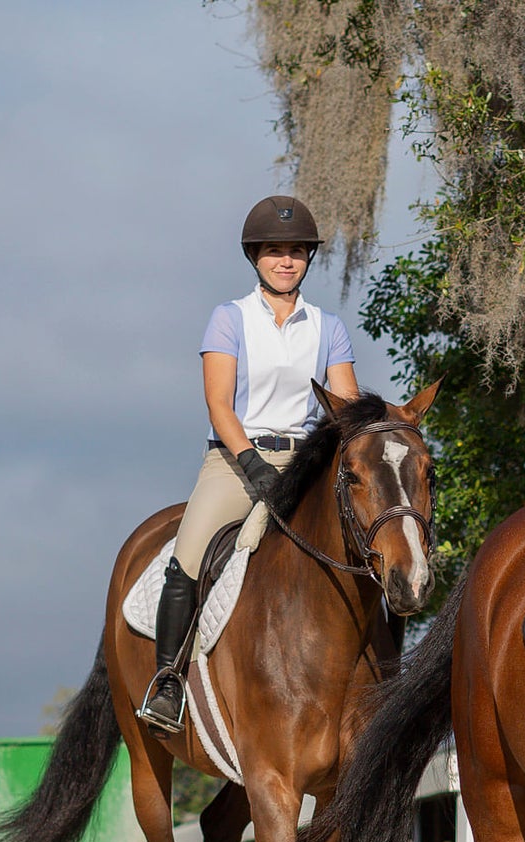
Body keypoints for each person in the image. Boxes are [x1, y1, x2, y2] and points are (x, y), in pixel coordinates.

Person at [137, 196, 359, 732]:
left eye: (296, 252)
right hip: (236, 462)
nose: (287, 261)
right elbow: (219, 403)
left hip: (307, 460)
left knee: (369, 539)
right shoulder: (229, 318)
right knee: (190, 552)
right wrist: (251, 463)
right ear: (255, 257)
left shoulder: (328, 327)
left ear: (308, 258)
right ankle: (167, 681)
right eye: (275, 251)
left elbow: (347, 405)